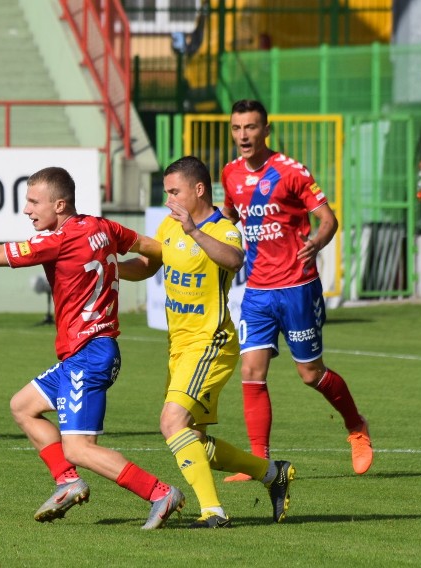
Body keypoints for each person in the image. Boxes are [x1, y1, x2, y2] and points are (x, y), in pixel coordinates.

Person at [0, 166, 187, 529]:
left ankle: (159, 492)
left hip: (89, 353)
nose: (26, 209)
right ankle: (67, 481)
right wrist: (116, 271)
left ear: (60, 205)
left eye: (32, 201)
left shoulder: (58, 239)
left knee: (79, 448)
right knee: (23, 406)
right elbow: (155, 252)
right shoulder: (104, 227)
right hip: (89, 351)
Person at [118, 156, 294, 527]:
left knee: (171, 423)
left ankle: (213, 510)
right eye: (167, 193)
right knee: (191, 438)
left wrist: (195, 231)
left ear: (199, 190)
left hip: (210, 344)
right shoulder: (170, 224)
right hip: (179, 347)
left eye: (175, 192)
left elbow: (234, 259)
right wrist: (110, 267)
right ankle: (271, 473)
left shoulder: (222, 227)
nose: (170, 200)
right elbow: (148, 265)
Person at [220, 99, 373, 480]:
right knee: (251, 371)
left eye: (251, 128)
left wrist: (317, 243)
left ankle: (356, 426)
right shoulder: (230, 175)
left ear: (266, 130)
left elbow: (327, 219)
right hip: (256, 290)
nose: (243, 136)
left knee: (310, 374)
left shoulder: (290, 172)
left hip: (297, 286)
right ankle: (259, 463)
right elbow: (227, 219)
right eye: (237, 128)